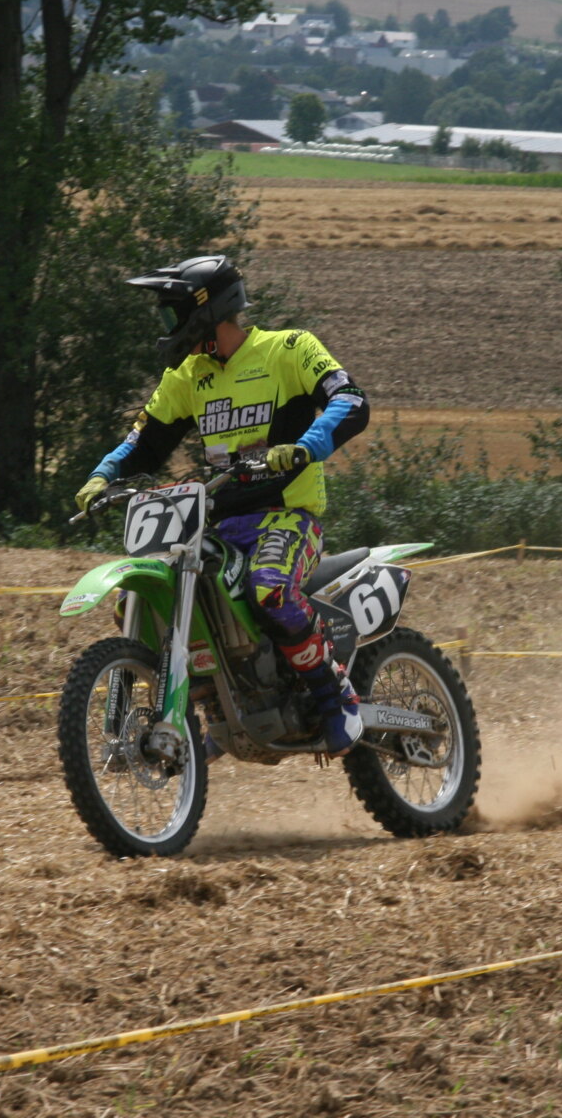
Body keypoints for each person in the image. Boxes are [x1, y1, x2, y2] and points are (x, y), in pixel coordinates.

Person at [75, 255, 371, 754]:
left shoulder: (289, 349)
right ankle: (214, 705)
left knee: (269, 589)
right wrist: (102, 475)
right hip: (218, 524)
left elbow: (351, 399)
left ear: (205, 310)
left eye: (172, 313)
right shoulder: (188, 376)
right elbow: (144, 441)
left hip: (287, 518)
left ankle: (335, 693)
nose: (168, 326)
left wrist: (305, 445)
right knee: (141, 600)